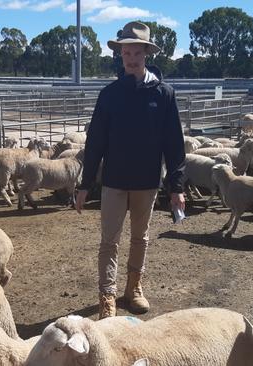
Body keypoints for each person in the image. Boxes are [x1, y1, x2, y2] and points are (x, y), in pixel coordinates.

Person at [75, 21, 186, 319]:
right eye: (127, 53)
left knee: (141, 237)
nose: (132, 58)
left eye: (137, 52)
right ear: (120, 55)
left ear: (147, 54)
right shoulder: (109, 95)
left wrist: (177, 187)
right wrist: (85, 184)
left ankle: (133, 288)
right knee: (109, 241)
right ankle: (107, 296)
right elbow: (95, 141)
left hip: (147, 182)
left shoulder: (164, 94)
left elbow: (174, 144)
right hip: (114, 181)